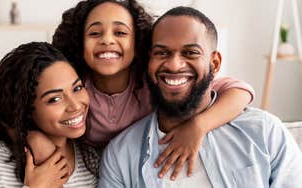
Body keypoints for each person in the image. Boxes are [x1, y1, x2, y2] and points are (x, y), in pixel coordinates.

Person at [0, 0, 255, 178]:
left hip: (141, 166)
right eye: (95, 33)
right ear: (80, 41)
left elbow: (239, 91)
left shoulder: (154, 81)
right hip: (100, 172)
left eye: (120, 33)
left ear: (139, 42)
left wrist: (198, 125)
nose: (107, 41)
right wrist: (27, 134)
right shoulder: (76, 89)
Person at [99, 6, 302, 188]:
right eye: (161, 53)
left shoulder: (265, 133)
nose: (174, 65)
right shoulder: (121, 154)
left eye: (190, 53)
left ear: (214, 63)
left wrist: (198, 125)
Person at [0, 42, 97, 187]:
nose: (76, 105)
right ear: (24, 107)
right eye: (54, 99)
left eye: (77, 88)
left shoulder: (90, 158)